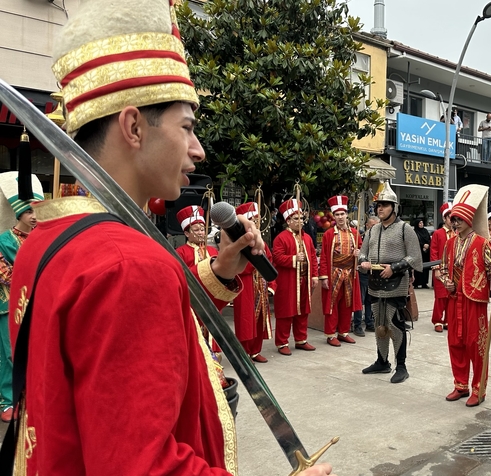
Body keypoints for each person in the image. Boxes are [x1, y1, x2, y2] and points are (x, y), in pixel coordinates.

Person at [5, 0, 341, 472]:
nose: (198, 150)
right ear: (134, 126)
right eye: (187, 127)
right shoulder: (130, 262)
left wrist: (222, 269)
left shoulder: (47, 239)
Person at [440, 185, 491, 407]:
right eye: (453, 219)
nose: (454, 223)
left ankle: (479, 389)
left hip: (474, 300)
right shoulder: (449, 243)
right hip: (454, 298)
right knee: (455, 342)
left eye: (458, 219)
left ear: (468, 219)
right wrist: (446, 281)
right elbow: (444, 268)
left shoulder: (482, 243)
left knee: (476, 345)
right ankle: (460, 385)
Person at [359, 182, 422, 384]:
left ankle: (401, 366)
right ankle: (382, 361)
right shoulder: (372, 230)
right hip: (375, 282)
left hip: (396, 282)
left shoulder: (405, 229)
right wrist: (363, 262)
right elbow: (362, 252)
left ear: (394, 207)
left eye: (385, 205)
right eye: (379, 205)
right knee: (379, 323)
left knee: (395, 324)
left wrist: (393, 268)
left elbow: (414, 258)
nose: (380, 208)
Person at [0, 172, 42, 423]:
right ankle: (7, 398)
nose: (34, 216)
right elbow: (4, 273)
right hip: (9, 304)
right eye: (28, 211)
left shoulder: (45, 238)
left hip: (39, 303)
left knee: (35, 351)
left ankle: (29, 395)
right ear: (18, 213)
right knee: (9, 352)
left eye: (37, 210)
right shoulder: (4, 240)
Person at [272, 199, 319, 355]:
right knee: (286, 312)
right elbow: (277, 257)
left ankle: (301, 339)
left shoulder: (307, 238)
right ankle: (282, 342)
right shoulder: (281, 238)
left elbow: (312, 256)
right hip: (288, 281)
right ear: (288, 221)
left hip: (304, 280)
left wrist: (315, 276)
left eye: (301, 218)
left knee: (303, 311)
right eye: (296, 219)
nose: (300, 221)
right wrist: (293, 259)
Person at [175, 204, 222, 352]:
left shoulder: (213, 250)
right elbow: (179, 274)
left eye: (202, 229)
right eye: (196, 230)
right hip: (192, 297)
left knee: (214, 327)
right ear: (187, 233)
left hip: (212, 296)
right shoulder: (181, 252)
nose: (201, 233)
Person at [232, 201, 275, 362]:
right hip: (246, 286)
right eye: (253, 220)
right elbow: (238, 267)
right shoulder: (238, 245)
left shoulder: (261, 242)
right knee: (245, 320)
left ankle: (255, 351)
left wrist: (271, 284)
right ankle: (243, 353)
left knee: (259, 319)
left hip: (260, 286)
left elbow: (270, 262)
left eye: (257, 220)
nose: (256, 223)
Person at [318, 195, 361, 347]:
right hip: (334, 272)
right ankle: (330, 335)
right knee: (332, 304)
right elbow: (323, 256)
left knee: (347, 304)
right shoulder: (329, 234)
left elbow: (362, 251)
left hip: (350, 273)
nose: (340, 217)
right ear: (334, 216)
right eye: (337, 214)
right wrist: (323, 277)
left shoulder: (355, 233)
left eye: (342, 214)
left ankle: (343, 332)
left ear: (347, 215)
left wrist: (359, 253)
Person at [352, 215, 379, 336]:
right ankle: (357, 324)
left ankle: (369, 322)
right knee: (360, 299)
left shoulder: (380, 238)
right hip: (362, 272)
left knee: (370, 299)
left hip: (374, 272)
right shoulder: (361, 238)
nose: (375, 228)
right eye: (372, 225)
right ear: (367, 225)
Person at [430, 203, 455, 332]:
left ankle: (448, 320)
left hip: (453, 270)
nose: (453, 221)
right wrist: (436, 269)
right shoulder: (438, 233)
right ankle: (437, 320)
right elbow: (433, 252)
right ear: (445, 219)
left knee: (451, 296)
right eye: (450, 217)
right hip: (441, 269)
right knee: (441, 296)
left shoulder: (457, 233)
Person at [413, 217, 431, 288]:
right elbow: (414, 241)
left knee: (425, 267)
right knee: (418, 267)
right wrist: (422, 245)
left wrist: (427, 245)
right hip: (418, 251)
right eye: (420, 223)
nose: (421, 224)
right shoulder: (414, 232)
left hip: (426, 252)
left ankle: (424, 283)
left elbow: (429, 239)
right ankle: (416, 283)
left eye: (422, 223)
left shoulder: (425, 231)